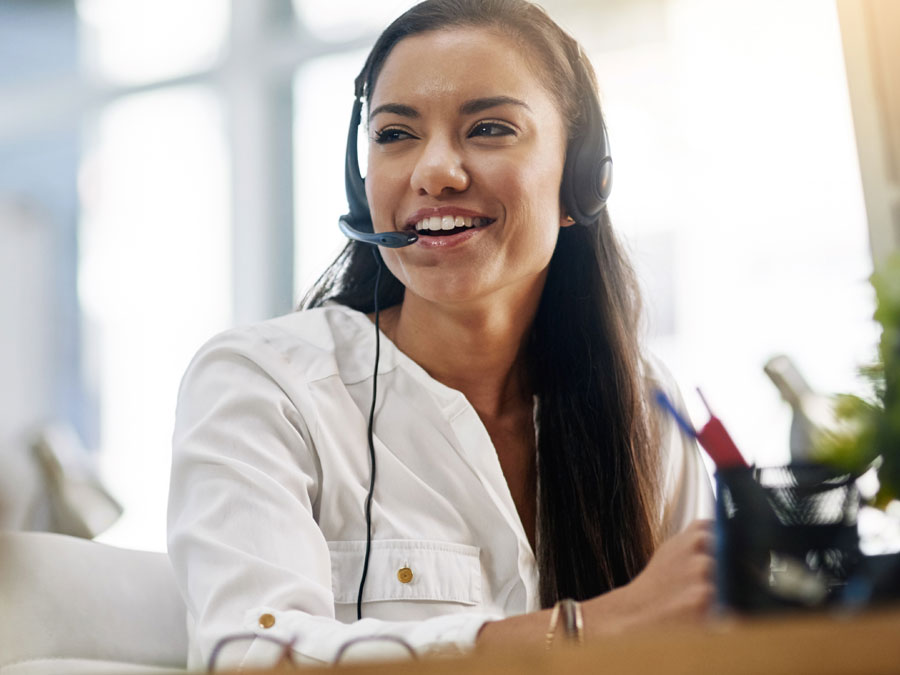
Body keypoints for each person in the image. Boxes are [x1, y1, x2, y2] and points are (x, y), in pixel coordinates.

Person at [167, 0, 715, 669]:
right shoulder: (266, 386)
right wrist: (580, 630)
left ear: (581, 179)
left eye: (488, 128)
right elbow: (250, 656)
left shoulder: (648, 410)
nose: (435, 172)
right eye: (396, 134)